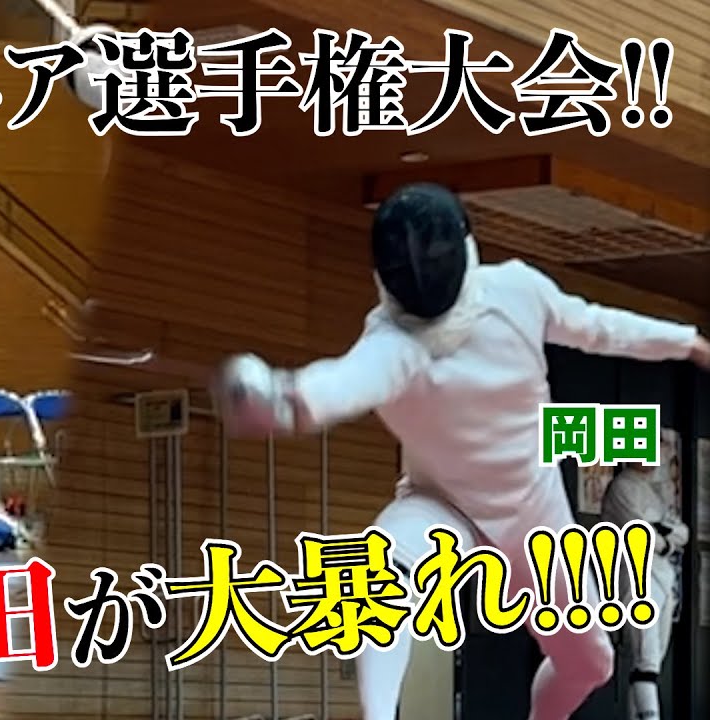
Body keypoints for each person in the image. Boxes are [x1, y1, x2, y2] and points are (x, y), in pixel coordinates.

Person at [211, 183, 710, 720]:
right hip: (441, 503)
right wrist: (281, 400)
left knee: (590, 663)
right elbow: (335, 386)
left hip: (532, 517)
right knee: (383, 572)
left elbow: (598, 327)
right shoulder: (391, 345)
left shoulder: (516, 292)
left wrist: (686, 341)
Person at [601, 460, 687, 720]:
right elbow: (639, 532)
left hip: (663, 577)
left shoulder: (656, 490)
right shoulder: (621, 487)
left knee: (653, 662)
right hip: (635, 574)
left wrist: (662, 534)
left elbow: (682, 532)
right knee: (646, 658)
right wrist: (663, 537)